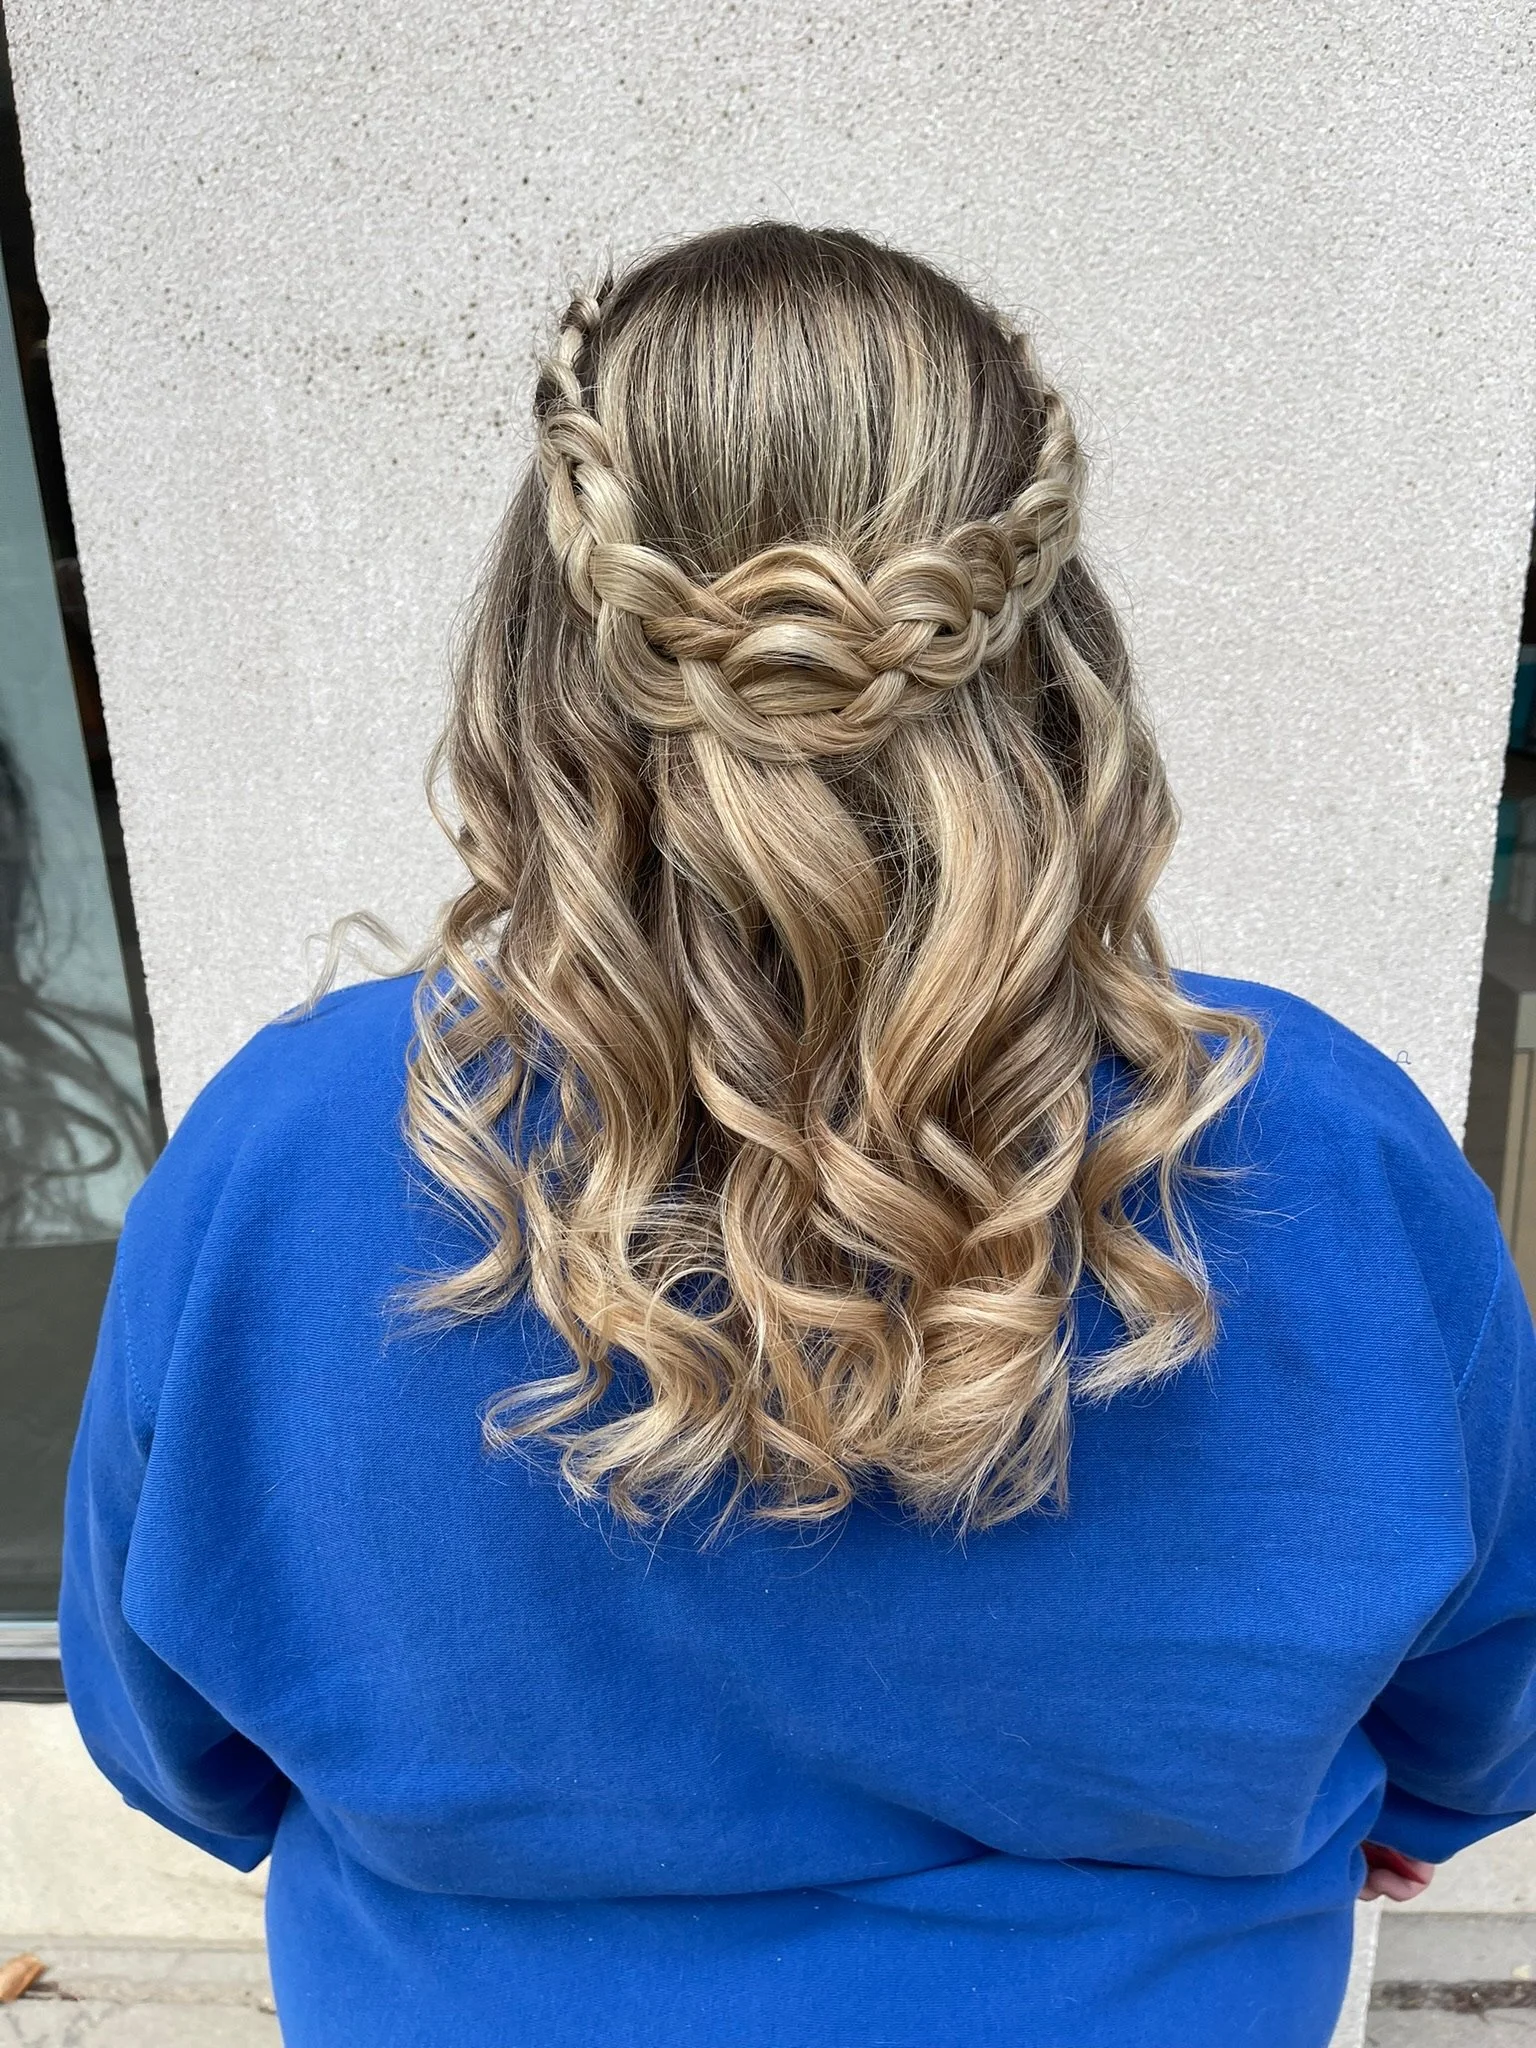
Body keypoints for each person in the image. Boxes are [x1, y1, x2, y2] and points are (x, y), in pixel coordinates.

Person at [60, 222, 1535, 2048]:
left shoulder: (282, 1164)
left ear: (539, 660)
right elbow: (1481, 1711)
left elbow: (175, 1746)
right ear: (1058, 658)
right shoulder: (1318, 1145)